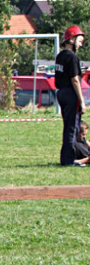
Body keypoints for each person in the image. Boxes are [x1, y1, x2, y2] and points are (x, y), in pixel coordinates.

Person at [55, 25, 86, 166]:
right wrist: (82, 100)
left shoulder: (59, 56)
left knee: (68, 126)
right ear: (71, 39)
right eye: (79, 40)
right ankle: (68, 160)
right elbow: (75, 79)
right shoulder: (72, 57)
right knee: (72, 127)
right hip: (70, 93)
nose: (81, 44)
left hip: (60, 92)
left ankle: (67, 157)